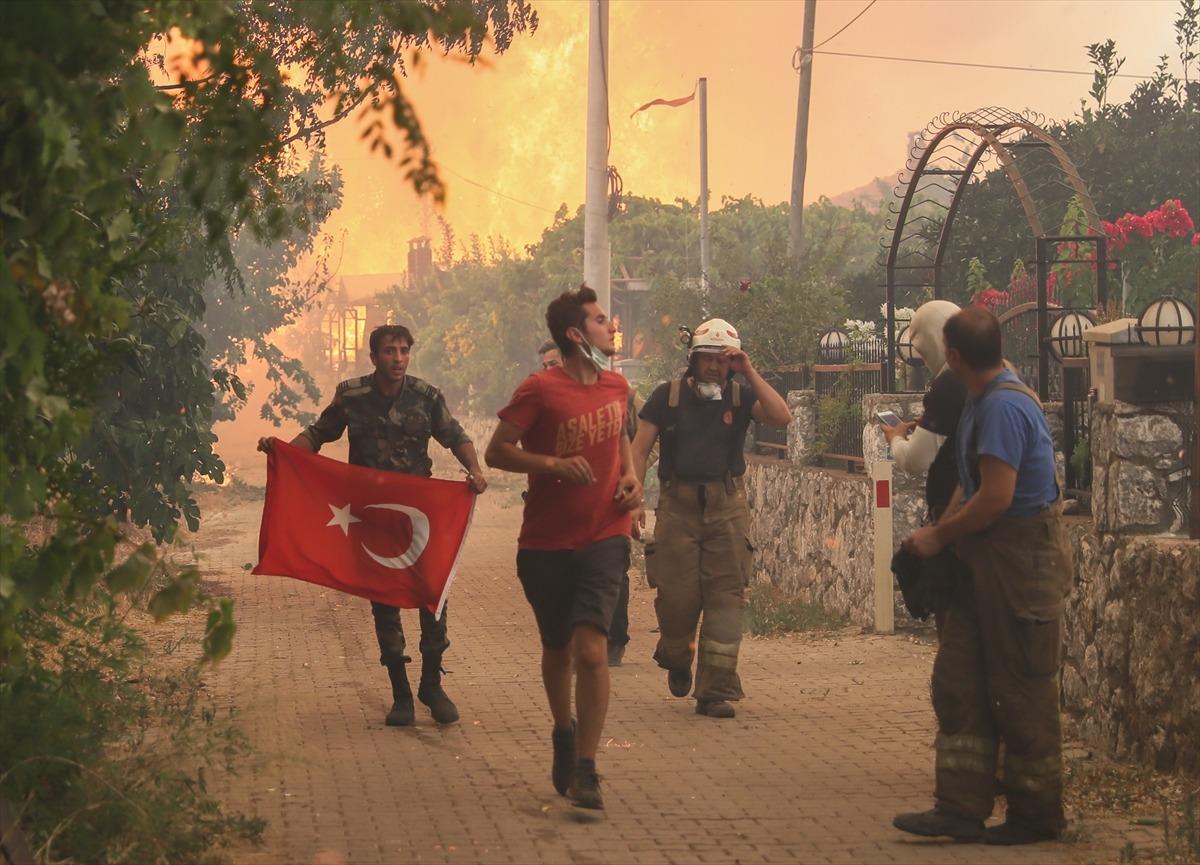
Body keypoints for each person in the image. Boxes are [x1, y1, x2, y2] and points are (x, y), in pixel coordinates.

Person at [893, 306, 1072, 846]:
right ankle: (959, 807)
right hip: (980, 557)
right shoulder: (978, 400)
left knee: (1020, 688)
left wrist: (941, 536)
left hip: (1018, 561)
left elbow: (996, 497)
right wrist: (940, 531)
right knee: (959, 681)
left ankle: (1036, 813)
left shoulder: (1002, 408)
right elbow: (968, 482)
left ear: (952, 356)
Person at [258, 324, 487, 728]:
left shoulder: (426, 396)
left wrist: (474, 470)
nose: (397, 358)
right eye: (389, 351)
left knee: (433, 592)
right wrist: (283, 452)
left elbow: (454, 436)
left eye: (403, 351)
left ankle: (431, 684)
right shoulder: (352, 396)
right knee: (384, 600)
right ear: (373, 356)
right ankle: (400, 692)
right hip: (372, 516)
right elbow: (318, 435)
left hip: (419, 518)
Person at [485, 286, 641, 811]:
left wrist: (633, 479)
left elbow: (621, 440)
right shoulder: (540, 390)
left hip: (606, 534)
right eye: (601, 320)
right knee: (558, 649)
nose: (611, 326)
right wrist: (551, 464)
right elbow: (497, 451)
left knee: (592, 651)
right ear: (577, 334)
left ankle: (588, 768)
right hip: (547, 543)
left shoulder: (618, 386)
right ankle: (563, 730)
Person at [629, 318, 790, 719]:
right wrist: (632, 499)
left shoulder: (739, 396)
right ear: (693, 360)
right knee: (677, 600)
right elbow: (638, 449)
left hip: (727, 507)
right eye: (708, 359)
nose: (715, 367)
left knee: (726, 600)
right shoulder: (666, 398)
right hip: (677, 507)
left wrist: (748, 369)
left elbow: (782, 417)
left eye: (724, 360)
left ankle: (715, 691)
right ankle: (677, 657)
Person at [540, 338, 637, 668]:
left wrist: (633, 496)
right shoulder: (542, 401)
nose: (549, 371)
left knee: (612, 572)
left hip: (608, 505)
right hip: (562, 509)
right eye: (545, 367)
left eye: (554, 364)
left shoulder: (613, 395)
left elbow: (631, 444)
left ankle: (613, 640)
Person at [880, 301, 966, 524]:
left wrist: (895, 438)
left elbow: (914, 460)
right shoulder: (999, 372)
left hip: (961, 519)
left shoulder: (949, 383)